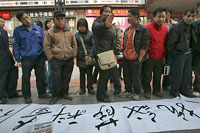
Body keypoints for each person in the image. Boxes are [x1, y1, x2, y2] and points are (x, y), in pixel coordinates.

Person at [13, 11, 49, 104]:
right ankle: (27, 96)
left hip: (39, 57)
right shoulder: (18, 30)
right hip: (26, 58)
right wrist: (18, 59)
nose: (27, 19)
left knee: (41, 76)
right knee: (26, 78)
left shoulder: (37, 28)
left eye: (27, 17)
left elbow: (42, 43)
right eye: (23, 19)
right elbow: (16, 45)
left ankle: (42, 93)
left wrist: (45, 55)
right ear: (20, 20)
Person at [44, 11, 77, 104]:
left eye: (62, 19)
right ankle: (55, 95)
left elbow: (74, 44)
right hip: (56, 59)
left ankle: (65, 93)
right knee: (56, 78)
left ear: (64, 20)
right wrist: (50, 57)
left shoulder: (69, 31)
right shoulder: (51, 32)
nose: (60, 21)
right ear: (54, 20)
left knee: (66, 77)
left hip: (68, 59)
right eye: (58, 19)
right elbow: (46, 46)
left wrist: (73, 54)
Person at [92, 5, 121, 102]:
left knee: (108, 74)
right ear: (101, 13)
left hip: (109, 53)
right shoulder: (98, 23)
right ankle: (100, 96)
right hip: (102, 54)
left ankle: (104, 92)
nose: (108, 14)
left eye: (109, 12)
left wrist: (115, 51)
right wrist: (105, 25)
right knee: (104, 75)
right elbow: (96, 29)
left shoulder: (110, 26)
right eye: (106, 11)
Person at [119, 8, 149, 100]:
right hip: (126, 57)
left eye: (129, 16)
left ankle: (136, 92)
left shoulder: (143, 29)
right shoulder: (127, 30)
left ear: (136, 17)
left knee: (136, 77)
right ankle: (128, 91)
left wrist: (140, 57)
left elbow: (145, 45)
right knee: (126, 76)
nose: (128, 18)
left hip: (135, 58)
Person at [168, 8, 198, 97]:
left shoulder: (192, 26)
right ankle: (174, 91)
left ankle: (184, 90)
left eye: (193, 16)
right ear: (184, 16)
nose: (190, 18)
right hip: (178, 54)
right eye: (188, 16)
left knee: (187, 74)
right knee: (177, 74)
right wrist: (175, 53)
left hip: (189, 53)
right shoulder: (176, 27)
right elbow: (170, 44)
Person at [142, 7, 168, 99]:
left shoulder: (165, 29)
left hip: (160, 57)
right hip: (149, 57)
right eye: (159, 16)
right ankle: (147, 91)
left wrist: (165, 56)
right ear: (153, 17)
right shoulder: (146, 28)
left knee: (158, 76)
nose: (161, 19)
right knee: (147, 76)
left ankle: (157, 90)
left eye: (163, 17)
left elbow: (166, 43)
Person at [75, 18, 95, 95]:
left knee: (89, 74)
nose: (81, 28)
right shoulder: (76, 35)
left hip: (88, 58)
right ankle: (82, 89)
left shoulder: (90, 34)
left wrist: (90, 55)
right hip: (80, 58)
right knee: (81, 75)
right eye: (80, 26)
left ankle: (90, 88)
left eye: (83, 26)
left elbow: (93, 46)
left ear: (86, 26)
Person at [162, 7, 177, 91]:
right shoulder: (161, 24)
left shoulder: (175, 24)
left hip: (173, 49)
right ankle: (165, 83)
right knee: (165, 67)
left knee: (172, 67)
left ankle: (170, 83)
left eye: (168, 13)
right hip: (163, 48)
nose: (166, 16)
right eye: (165, 14)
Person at [44, 19, 54, 93]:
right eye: (48, 23)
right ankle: (50, 87)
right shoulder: (45, 33)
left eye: (51, 23)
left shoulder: (58, 32)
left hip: (58, 55)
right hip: (50, 56)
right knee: (50, 73)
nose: (50, 24)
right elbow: (45, 45)